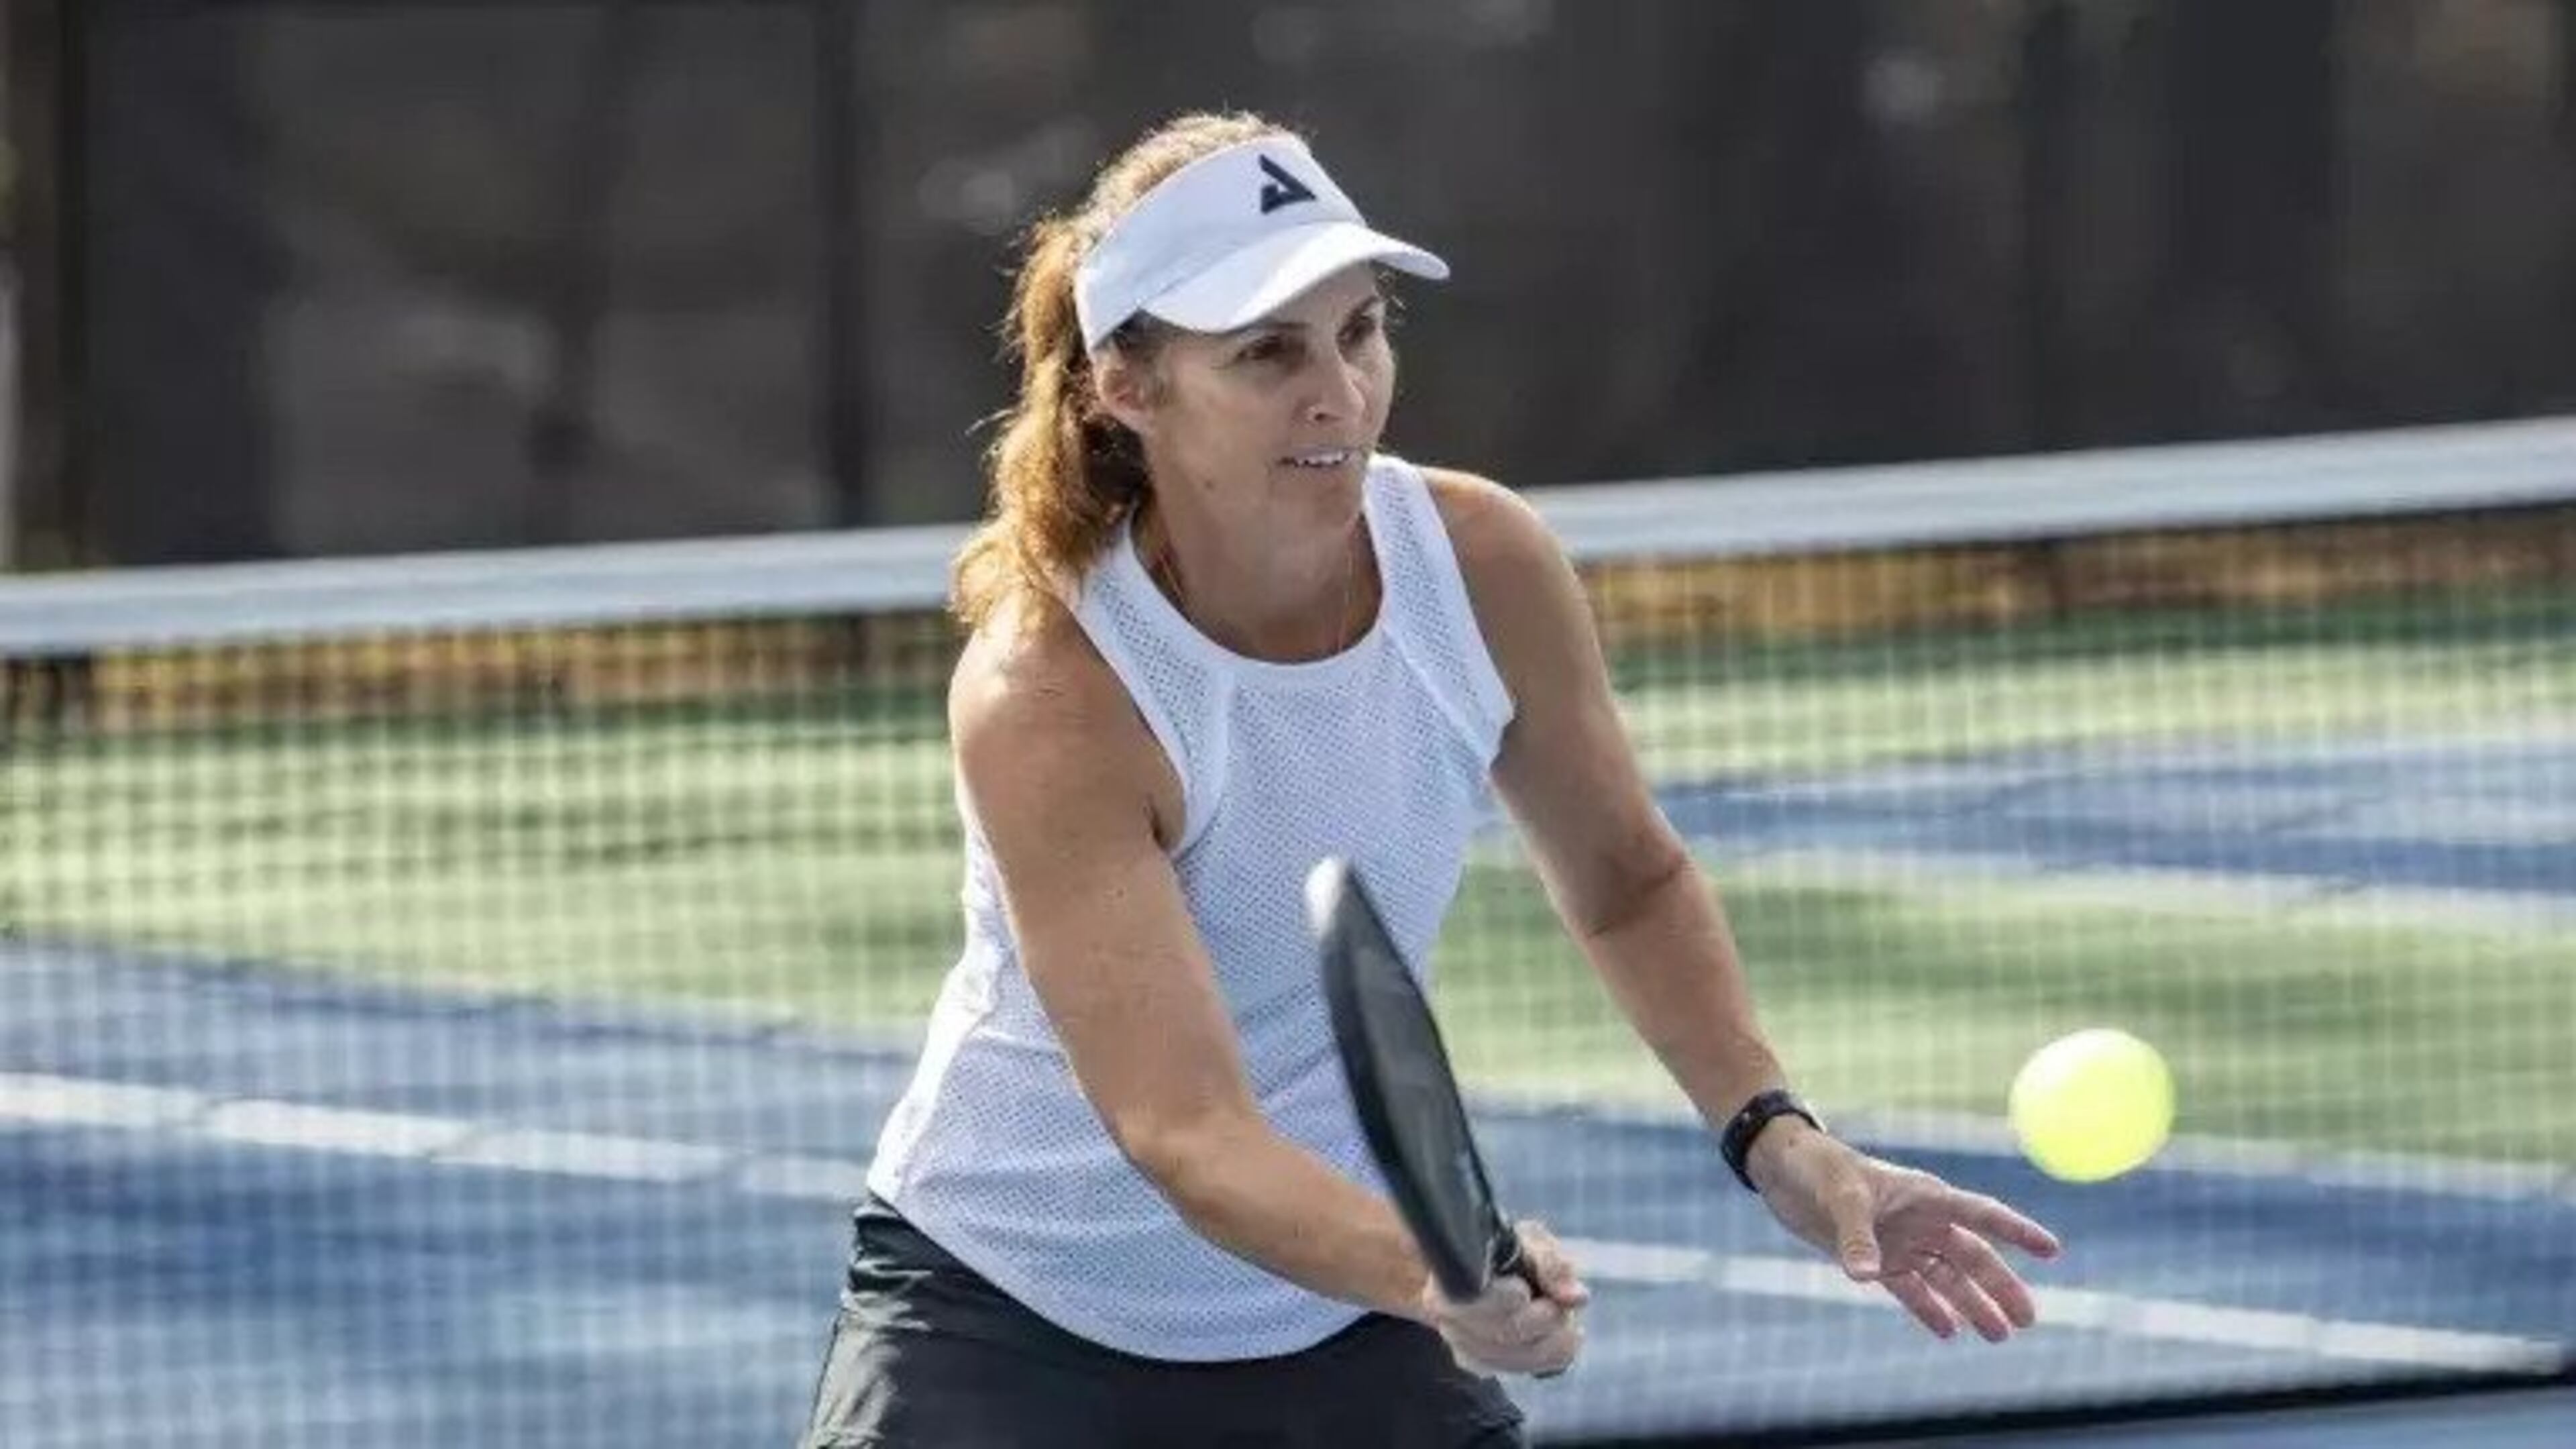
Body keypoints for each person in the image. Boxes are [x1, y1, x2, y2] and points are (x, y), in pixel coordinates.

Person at [798, 111, 2064, 1449]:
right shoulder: (1056, 690)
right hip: (1009, 1322)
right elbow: (1187, 1131)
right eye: (1266, 353)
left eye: (1360, 330)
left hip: (1329, 1319)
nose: (1338, 393)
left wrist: (1777, 1137)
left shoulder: (1483, 565)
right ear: (1129, 386)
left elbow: (1628, 880)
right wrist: (1438, 1275)